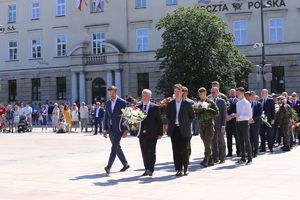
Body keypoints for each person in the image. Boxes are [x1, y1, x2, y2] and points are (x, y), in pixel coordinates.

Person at [167, 84, 195, 176]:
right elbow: (168, 116)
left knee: (184, 149)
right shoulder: (171, 104)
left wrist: (185, 123)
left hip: (184, 130)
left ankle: (186, 168)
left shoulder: (187, 103)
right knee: (176, 150)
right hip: (174, 129)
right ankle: (178, 168)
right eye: (175, 91)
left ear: (182, 92)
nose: (177, 93)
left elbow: (192, 116)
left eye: (178, 91)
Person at [103, 86, 130, 175]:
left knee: (114, 147)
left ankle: (108, 166)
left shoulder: (122, 102)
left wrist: (126, 129)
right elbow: (106, 116)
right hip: (110, 129)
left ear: (116, 92)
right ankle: (125, 164)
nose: (111, 95)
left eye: (112, 93)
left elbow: (126, 116)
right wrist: (104, 129)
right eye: (109, 94)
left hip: (119, 128)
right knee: (117, 147)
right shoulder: (107, 103)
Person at [137, 89, 163, 177]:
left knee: (151, 151)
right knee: (144, 151)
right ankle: (146, 168)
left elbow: (159, 121)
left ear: (150, 97)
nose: (144, 97)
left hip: (152, 133)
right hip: (142, 133)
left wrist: (160, 133)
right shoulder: (138, 107)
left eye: (146, 95)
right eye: (143, 95)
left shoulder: (155, 107)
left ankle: (150, 169)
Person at [197, 87, 219, 168]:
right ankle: (210, 160)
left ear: (206, 94)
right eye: (200, 94)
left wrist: (209, 111)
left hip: (209, 126)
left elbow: (217, 112)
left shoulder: (210, 102)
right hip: (201, 126)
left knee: (207, 142)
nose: (201, 95)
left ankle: (206, 159)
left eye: (203, 93)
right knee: (205, 143)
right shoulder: (198, 103)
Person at [235, 87, 253, 165]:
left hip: (244, 123)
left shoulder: (247, 103)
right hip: (238, 123)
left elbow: (249, 115)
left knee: (247, 141)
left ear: (242, 93)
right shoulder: (238, 102)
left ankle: (250, 158)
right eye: (237, 93)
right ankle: (243, 158)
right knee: (240, 141)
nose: (237, 94)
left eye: (238, 93)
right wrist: (236, 116)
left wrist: (239, 116)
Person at [210, 87, 227, 164]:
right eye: (212, 92)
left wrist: (223, 125)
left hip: (220, 125)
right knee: (213, 142)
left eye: (214, 92)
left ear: (218, 93)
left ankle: (222, 158)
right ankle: (215, 158)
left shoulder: (222, 101)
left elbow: (224, 114)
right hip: (211, 125)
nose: (213, 93)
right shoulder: (209, 102)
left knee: (221, 142)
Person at [246, 91, 262, 158]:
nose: (252, 96)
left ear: (255, 96)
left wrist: (252, 119)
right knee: (250, 137)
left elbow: (259, 114)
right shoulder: (247, 104)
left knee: (255, 137)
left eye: (253, 95)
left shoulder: (258, 104)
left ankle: (255, 152)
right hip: (248, 123)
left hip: (256, 123)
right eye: (251, 95)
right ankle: (250, 151)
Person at [226, 88, 240, 157]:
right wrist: (226, 116)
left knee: (237, 138)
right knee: (229, 138)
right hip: (228, 122)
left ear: (235, 93)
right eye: (231, 92)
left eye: (233, 92)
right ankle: (229, 152)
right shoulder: (226, 101)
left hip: (236, 122)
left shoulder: (238, 101)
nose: (232, 94)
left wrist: (234, 115)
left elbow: (239, 111)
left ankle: (239, 152)